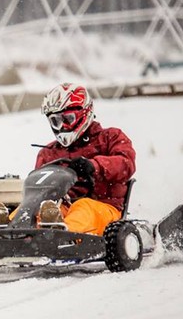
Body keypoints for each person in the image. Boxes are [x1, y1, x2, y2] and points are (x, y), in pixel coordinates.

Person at [34, 82, 136, 235]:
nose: (62, 126)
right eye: (56, 121)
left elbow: (126, 164)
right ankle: (5, 232)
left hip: (104, 207)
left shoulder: (111, 137)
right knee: (37, 209)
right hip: (61, 207)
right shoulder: (48, 153)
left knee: (83, 207)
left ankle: (61, 237)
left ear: (84, 113)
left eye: (67, 119)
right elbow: (39, 189)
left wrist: (94, 166)